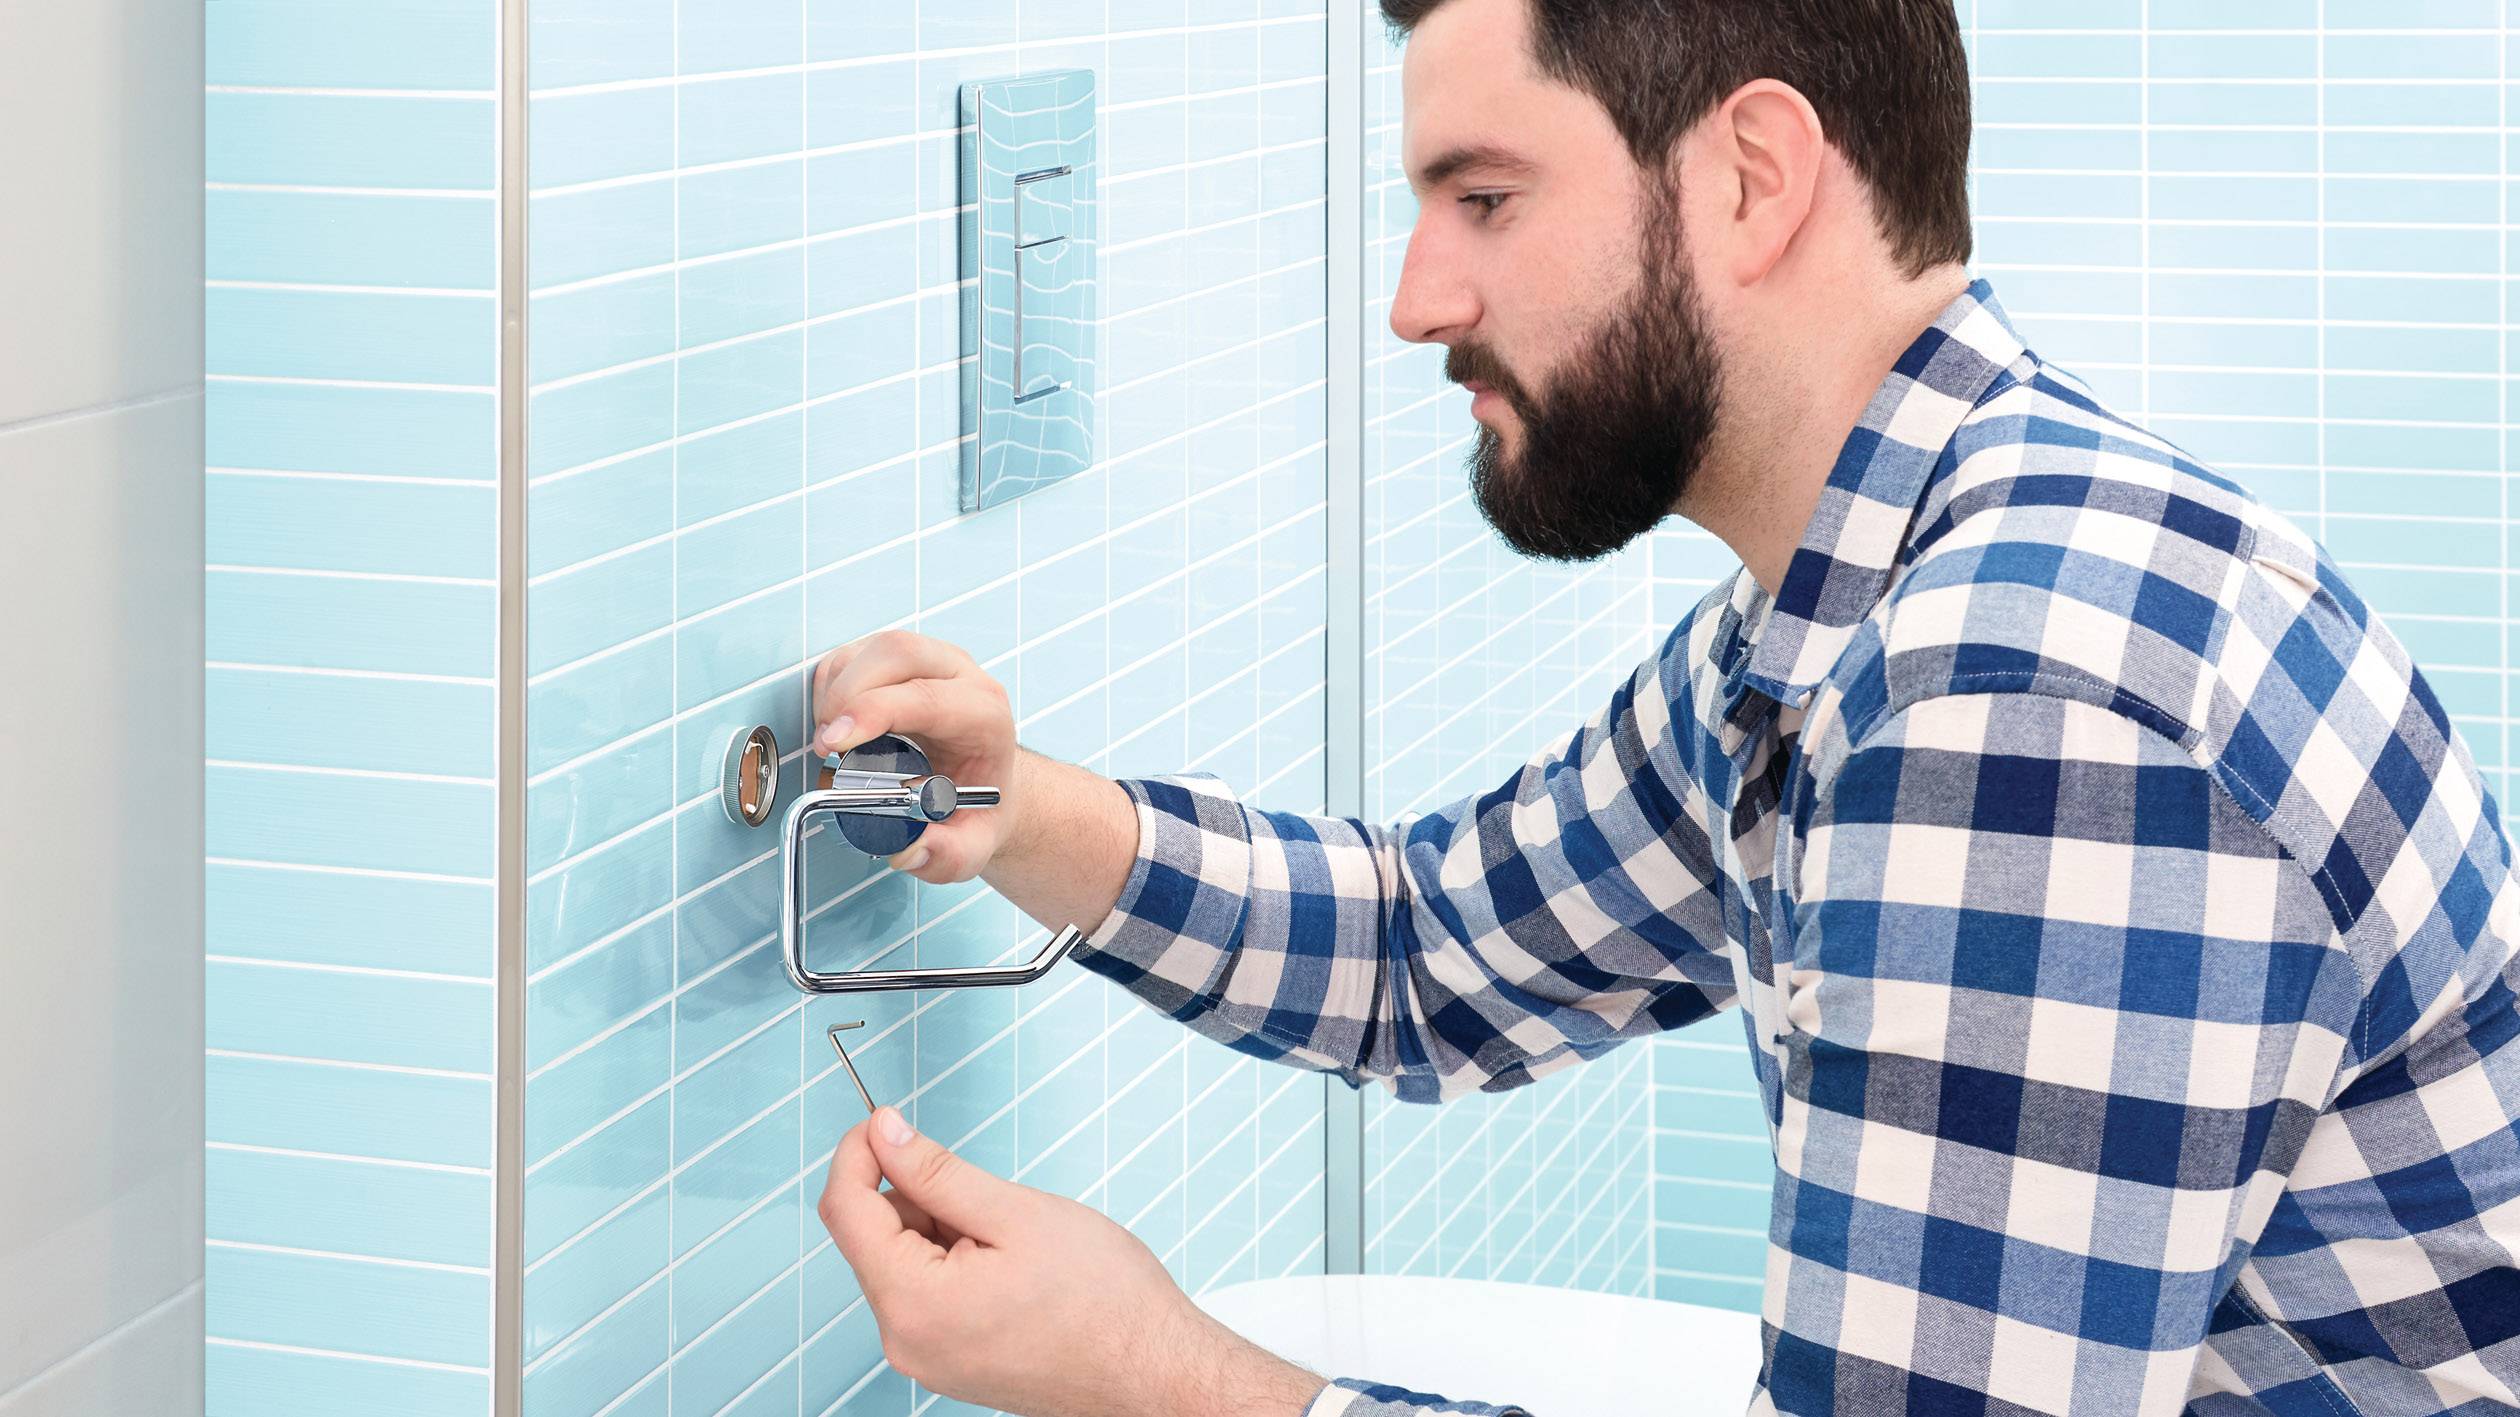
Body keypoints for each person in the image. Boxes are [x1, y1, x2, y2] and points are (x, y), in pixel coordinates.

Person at [810, 0, 2520, 1411]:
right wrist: (1027, 812)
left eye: (1484, 200)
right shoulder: (1853, 599)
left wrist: (1160, 1379)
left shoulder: (2022, 698)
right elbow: (1430, 947)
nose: (1418, 301)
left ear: (1753, 179)